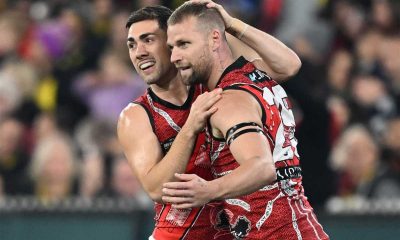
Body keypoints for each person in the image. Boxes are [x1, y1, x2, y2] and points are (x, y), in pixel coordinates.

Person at [118, 3, 301, 239]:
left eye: (148, 40)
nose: (138, 52)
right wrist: (190, 128)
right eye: (132, 44)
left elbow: (287, 66)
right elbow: (155, 188)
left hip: (233, 231)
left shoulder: (215, 84)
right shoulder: (136, 115)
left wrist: (231, 24)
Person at [163, 1, 329, 239]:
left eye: (183, 44)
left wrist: (208, 190)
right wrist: (232, 24)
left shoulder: (228, 101)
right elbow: (290, 64)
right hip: (299, 226)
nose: (174, 57)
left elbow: (261, 167)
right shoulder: (252, 75)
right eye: (172, 47)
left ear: (214, 39)